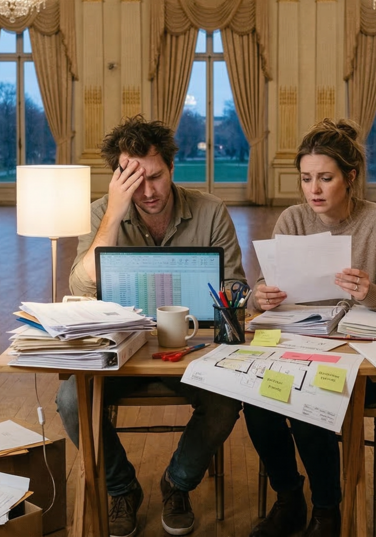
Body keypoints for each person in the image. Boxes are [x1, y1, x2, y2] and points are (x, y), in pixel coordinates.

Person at [58, 115, 246, 537]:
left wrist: (237, 299)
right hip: (122, 352)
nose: (147, 191)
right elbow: (80, 286)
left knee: (226, 400)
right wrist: (114, 213)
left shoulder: (210, 211)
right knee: (70, 400)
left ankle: (177, 483)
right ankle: (122, 488)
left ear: (172, 167)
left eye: (156, 177)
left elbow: (234, 286)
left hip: (190, 351)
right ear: (117, 181)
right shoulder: (100, 213)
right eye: (133, 181)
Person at [245, 118, 376, 537]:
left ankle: (327, 511)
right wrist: (260, 296)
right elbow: (260, 291)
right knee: (255, 399)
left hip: (364, 358)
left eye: (325, 178)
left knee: (307, 395)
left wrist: (370, 292)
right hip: (299, 347)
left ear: (350, 177)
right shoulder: (292, 219)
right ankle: (289, 499)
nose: (313, 190)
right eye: (306, 179)